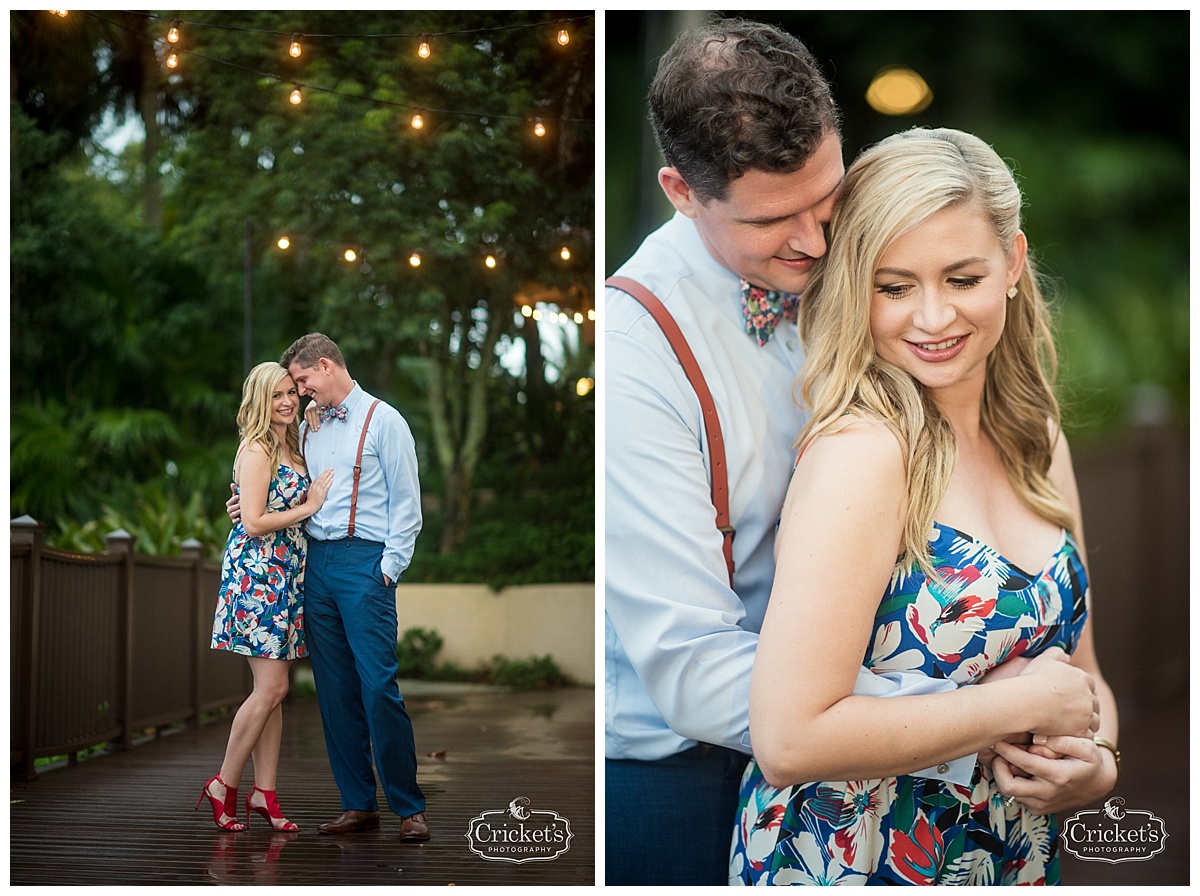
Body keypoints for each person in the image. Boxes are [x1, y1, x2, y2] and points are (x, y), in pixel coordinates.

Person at [604, 17, 1104, 886]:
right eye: (772, 220)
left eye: (827, 201)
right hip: (682, 767)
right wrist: (994, 717)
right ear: (682, 191)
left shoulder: (884, 286)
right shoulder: (636, 354)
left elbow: (1083, 685)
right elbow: (696, 671)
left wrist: (1088, 752)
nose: (816, 242)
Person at [728, 127, 1119, 885]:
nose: (932, 319)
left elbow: (1082, 677)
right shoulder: (864, 456)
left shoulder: (1036, 436)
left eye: (962, 278)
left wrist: (1099, 765)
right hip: (856, 855)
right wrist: (1010, 710)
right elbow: (788, 738)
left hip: (1009, 853)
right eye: (894, 286)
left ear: (1012, 262)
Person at [279, 333, 429, 842]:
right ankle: (357, 804)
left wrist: (388, 568)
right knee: (334, 691)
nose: (300, 392)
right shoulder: (308, 428)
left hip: (365, 564)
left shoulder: (386, 421)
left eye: (302, 381)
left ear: (324, 366)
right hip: (315, 565)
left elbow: (408, 504)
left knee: (378, 684)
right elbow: (283, 484)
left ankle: (409, 808)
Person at [199, 361, 333, 831]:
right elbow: (253, 522)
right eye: (275, 395)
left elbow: (257, 507)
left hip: (288, 575)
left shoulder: (291, 440)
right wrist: (308, 507)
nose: (286, 401)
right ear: (258, 399)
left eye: (290, 393)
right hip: (259, 577)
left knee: (272, 693)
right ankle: (223, 785)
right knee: (272, 688)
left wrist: (312, 411)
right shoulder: (256, 448)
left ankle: (265, 794)